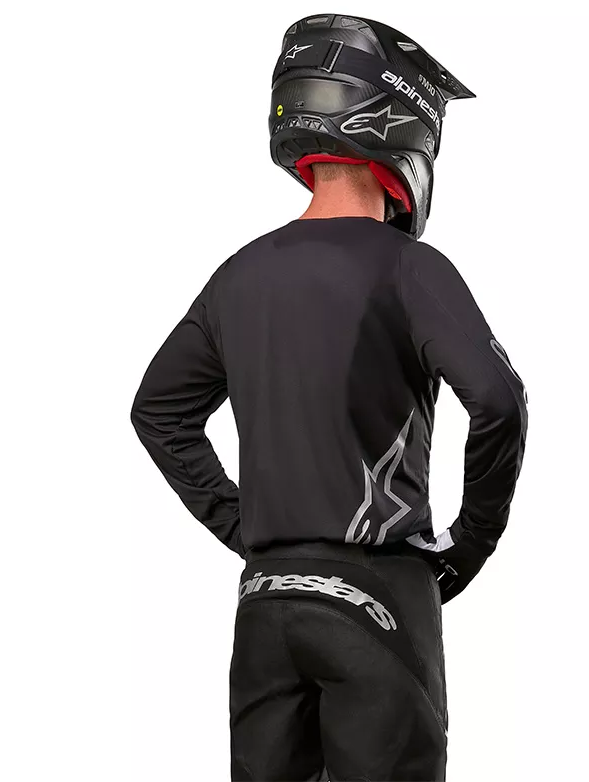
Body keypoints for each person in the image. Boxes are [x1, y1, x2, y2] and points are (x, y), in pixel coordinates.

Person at [131, 13, 528, 782]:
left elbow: (159, 411)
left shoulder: (237, 276)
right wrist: (469, 545)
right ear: (404, 127)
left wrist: (244, 526)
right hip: (379, 599)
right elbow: (499, 400)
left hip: (266, 603)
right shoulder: (409, 268)